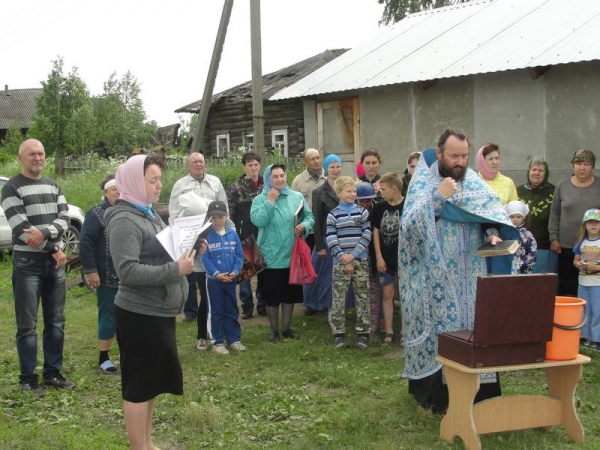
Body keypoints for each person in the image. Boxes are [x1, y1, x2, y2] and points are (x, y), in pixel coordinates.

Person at [398, 129, 517, 413]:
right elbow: (409, 229)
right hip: (436, 277)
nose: (460, 162)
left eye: (464, 156)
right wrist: (437, 198)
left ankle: (482, 395)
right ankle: (440, 399)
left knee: (476, 329)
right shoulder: (423, 182)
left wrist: (491, 233)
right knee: (445, 332)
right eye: (454, 156)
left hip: (473, 274)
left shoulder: (472, 181)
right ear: (439, 153)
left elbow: (490, 213)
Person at [106, 155, 194, 449]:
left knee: (151, 383)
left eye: (159, 179)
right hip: (138, 314)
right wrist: (174, 270)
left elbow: (160, 251)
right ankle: (138, 447)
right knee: (138, 387)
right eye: (153, 180)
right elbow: (127, 271)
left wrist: (191, 246)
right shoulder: (123, 220)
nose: (160, 185)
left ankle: (147, 443)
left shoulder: (148, 213)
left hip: (157, 312)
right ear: (134, 181)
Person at [1, 138, 74, 398]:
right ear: (21, 158)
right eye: (31, 153)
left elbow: (64, 220)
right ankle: (27, 378)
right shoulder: (11, 187)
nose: (37, 157)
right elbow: (21, 230)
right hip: (27, 264)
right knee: (27, 325)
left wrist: (43, 233)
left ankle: (52, 373)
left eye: (41, 153)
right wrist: (54, 247)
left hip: (53, 265)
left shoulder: (54, 186)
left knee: (56, 321)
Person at [169, 152, 228, 351]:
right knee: (204, 290)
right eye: (194, 162)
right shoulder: (180, 185)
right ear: (188, 165)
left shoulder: (215, 182)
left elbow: (224, 209)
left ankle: (220, 333)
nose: (198, 165)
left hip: (215, 241)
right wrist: (183, 239)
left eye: (201, 161)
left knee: (218, 290)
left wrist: (225, 234)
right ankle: (202, 335)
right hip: (194, 241)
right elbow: (174, 215)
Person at [251, 164, 315, 341]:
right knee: (272, 295)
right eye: (275, 177)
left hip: (292, 254)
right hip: (270, 255)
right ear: (267, 179)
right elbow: (259, 221)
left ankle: (286, 328)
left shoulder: (296, 197)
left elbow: (309, 217)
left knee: (289, 294)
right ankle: (273, 330)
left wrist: (304, 226)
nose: (279, 179)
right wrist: (270, 201)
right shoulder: (259, 200)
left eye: (282, 175)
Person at [79, 173, 120, 374]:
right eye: (114, 189)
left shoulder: (125, 212)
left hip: (127, 275)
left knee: (129, 317)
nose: (118, 193)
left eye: (120, 189)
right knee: (109, 315)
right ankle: (104, 358)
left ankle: (129, 354)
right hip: (105, 275)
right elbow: (85, 243)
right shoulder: (95, 214)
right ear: (105, 191)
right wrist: (91, 271)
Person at [326, 176, 371, 348]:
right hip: (340, 262)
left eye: (354, 191)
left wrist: (353, 255)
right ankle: (338, 333)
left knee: (362, 296)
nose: (353, 194)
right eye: (348, 191)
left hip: (360, 260)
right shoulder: (333, 215)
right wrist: (342, 257)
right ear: (338, 193)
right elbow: (331, 238)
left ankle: (363, 332)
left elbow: (366, 235)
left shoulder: (362, 212)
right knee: (338, 298)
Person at [549, 149, 600, 296]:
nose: (582, 168)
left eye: (586, 164)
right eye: (578, 163)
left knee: (592, 288)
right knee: (568, 287)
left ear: (592, 166)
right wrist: (554, 238)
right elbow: (554, 213)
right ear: (573, 165)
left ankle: (591, 317)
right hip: (566, 246)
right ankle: (570, 318)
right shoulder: (563, 185)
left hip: (593, 248)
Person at [201, 201, 245, 355]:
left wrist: (235, 271)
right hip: (214, 281)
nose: (217, 221)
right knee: (217, 311)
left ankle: (233, 339)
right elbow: (205, 258)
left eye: (220, 217)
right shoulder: (206, 236)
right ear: (210, 219)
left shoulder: (233, 234)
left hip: (230, 279)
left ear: (226, 216)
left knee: (231, 308)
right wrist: (216, 274)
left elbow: (239, 254)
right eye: (213, 217)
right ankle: (218, 341)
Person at [227, 152, 266, 319]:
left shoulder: (267, 184)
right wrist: (233, 234)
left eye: (256, 164)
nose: (253, 167)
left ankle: (263, 304)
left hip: (264, 232)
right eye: (250, 165)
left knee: (264, 269)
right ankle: (247, 306)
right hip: (244, 232)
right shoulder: (236, 186)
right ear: (244, 167)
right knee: (246, 271)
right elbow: (230, 212)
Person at [305, 154, 343, 315]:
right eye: (332, 167)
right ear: (326, 169)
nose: (335, 170)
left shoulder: (346, 187)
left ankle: (337, 306)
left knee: (339, 277)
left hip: (343, 239)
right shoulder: (319, 192)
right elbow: (316, 219)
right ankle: (317, 304)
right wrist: (320, 246)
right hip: (327, 239)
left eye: (338, 166)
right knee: (322, 276)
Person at [371, 173, 404, 345]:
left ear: (394, 189)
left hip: (404, 258)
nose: (381, 193)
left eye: (383, 189)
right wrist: (378, 256)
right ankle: (389, 331)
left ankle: (405, 330)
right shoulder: (379, 208)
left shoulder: (408, 205)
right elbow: (375, 230)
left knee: (405, 295)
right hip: (385, 258)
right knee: (387, 293)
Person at [516, 158, 557, 274]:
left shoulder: (554, 191)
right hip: (522, 247)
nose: (536, 173)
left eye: (541, 170)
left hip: (545, 247)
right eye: (534, 169)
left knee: (544, 283)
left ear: (546, 173)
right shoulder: (518, 191)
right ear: (528, 171)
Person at [356, 182, 382, 339]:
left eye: (368, 200)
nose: (365, 204)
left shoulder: (378, 211)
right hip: (358, 258)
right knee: (361, 293)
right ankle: (362, 325)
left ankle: (374, 325)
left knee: (375, 292)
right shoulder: (353, 213)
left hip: (375, 259)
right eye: (361, 201)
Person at [573, 209, 600, 351]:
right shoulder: (581, 242)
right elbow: (575, 260)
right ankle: (585, 337)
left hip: (598, 283)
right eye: (590, 222)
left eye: (597, 222)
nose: (593, 225)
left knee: (598, 311)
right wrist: (579, 264)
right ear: (585, 225)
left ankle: (597, 339)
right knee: (584, 311)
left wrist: (594, 267)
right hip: (583, 282)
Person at [291, 148, 326, 251]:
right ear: (305, 162)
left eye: (318, 158)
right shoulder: (298, 181)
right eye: (312, 159)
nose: (316, 161)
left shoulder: (328, 178)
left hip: (326, 229)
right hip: (308, 231)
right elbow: (293, 206)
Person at [505, 200, 537, 274]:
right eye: (512, 217)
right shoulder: (503, 233)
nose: (515, 220)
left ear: (523, 217)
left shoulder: (528, 235)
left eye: (518, 217)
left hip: (522, 271)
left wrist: (519, 264)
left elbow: (532, 254)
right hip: (505, 269)